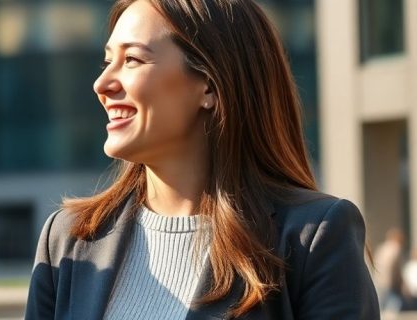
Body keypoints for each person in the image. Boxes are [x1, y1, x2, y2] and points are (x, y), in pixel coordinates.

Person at [25, 0, 378, 319]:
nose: (102, 84)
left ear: (209, 85)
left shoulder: (313, 238)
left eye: (132, 59)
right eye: (107, 61)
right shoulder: (68, 240)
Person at [374, 228, 406, 316]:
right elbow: (396, 270)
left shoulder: (382, 248)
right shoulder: (396, 249)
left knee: (381, 307)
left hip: (379, 281)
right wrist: (400, 283)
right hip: (390, 283)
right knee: (393, 306)